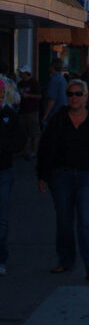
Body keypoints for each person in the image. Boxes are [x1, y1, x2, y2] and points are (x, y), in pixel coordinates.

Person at [37, 78, 89, 280]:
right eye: (70, 94)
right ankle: (66, 260)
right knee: (64, 221)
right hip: (61, 176)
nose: (74, 98)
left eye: (78, 94)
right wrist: (42, 176)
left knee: (86, 221)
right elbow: (45, 149)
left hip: (88, 176)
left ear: (86, 97)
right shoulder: (58, 120)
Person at [0, 78, 26, 274]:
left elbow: (20, 141)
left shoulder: (9, 116)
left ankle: (1, 258)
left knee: (2, 217)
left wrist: (5, 147)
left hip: (3, 170)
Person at [16, 66, 41, 159]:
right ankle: (25, 151)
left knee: (34, 132)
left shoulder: (34, 82)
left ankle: (34, 152)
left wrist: (28, 95)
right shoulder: (20, 83)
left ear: (27, 73)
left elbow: (39, 96)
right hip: (22, 110)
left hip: (32, 111)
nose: (20, 74)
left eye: (22, 72)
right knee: (24, 132)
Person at [42, 58, 67, 126]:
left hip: (54, 113)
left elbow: (51, 99)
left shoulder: (54, 79)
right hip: (62, 112)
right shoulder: (62, 79)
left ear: (52, 67)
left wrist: (45, 115)